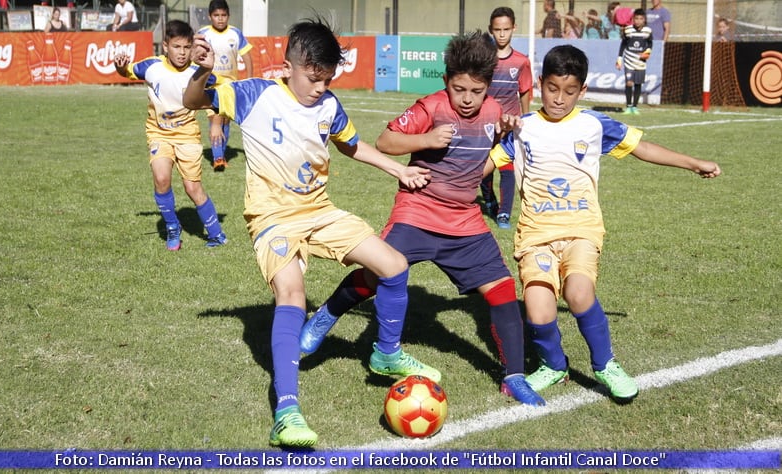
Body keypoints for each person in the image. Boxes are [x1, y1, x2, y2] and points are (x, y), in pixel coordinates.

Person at [183, 16, 439, 448]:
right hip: (272, 218)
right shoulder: (254, 94)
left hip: (319, 210)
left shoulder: (329, 105)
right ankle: (287, 412)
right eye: (313, 78)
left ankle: (385, 355)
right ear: (289, 67)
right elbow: (194, 100)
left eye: (327, 79)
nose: (320, 87)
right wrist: (202, 69)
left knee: (393, 266)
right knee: (291, 293)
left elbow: (351, 143)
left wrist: (399, 169)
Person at [296, 31, 545, 408]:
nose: (466, 98)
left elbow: (492, 151)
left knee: (503, 291)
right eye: (459, 88)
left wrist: (507, 133)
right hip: (419, 211)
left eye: (475, 91)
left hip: (465, 221)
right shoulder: (430, 107)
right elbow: (385, 142)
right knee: (377, 274)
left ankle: (513, 377)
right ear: (446, 81)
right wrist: (426, 139)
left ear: (488, 87)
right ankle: (324, 316)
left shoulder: (495, 111)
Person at [489, 44, 721, 401]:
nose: (559, 99)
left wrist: (693, 163)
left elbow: (643, 148)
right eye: (552, 89)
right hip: (535, 235)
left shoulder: (594, 124)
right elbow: (484, 162)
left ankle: (605, 364)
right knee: (537, 307)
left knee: (578, 293)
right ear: (539, 85)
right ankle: (553, 365)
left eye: (569, 91)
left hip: (582, 229)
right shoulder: (523, 128)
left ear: (582, 90)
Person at [114, 20, 228, 251]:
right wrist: (119, 66)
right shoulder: (151, 67)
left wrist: (216, 123)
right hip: (159, 133)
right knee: (162, 178)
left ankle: (217, 234)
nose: (182, 53)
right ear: (165, 46)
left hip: (187, 135)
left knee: (192, 188)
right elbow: (126, 71)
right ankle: (172, 228)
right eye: (177, 47)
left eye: (187, 47)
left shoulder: (200, 72)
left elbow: (223, 95)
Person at [480, 6, 532, 229]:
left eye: (506, 29)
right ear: (491, 30)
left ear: (514, 29)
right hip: (486, 125)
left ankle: (503, 213)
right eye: (497, 30)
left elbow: (525, 91)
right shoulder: (484, 59)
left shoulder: (521, 61)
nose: (502, 34)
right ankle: (489, 199)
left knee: (507, 167)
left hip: (509, 126)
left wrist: (525, 119)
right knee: (483, 168)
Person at [197, 0, 253, 172]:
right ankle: (218, 158)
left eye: (223, 15)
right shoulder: (203, 34)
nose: (220, 19)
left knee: (226, 121)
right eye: (216, 15)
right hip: (210, 84)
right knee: (214, 118)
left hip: (230, 85)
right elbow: (196, 56)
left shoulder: (236, 34)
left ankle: (221, 151)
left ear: (228, 16)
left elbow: (248, 57)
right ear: (210, 16)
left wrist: (249, 80)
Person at [616, 9, 653, 115]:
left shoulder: (648, 31)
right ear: (633, 19)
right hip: (629, 61)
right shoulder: (628, 30)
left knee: (638, 84)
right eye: (636, 18)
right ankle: (628, 106)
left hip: (640, 62)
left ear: (644, 20)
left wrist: (647, 52)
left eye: (641, 18)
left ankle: (635, 107)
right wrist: (619, 58)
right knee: (629, 83)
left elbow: (650, 44)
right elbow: (623, 44)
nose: (638, 21)